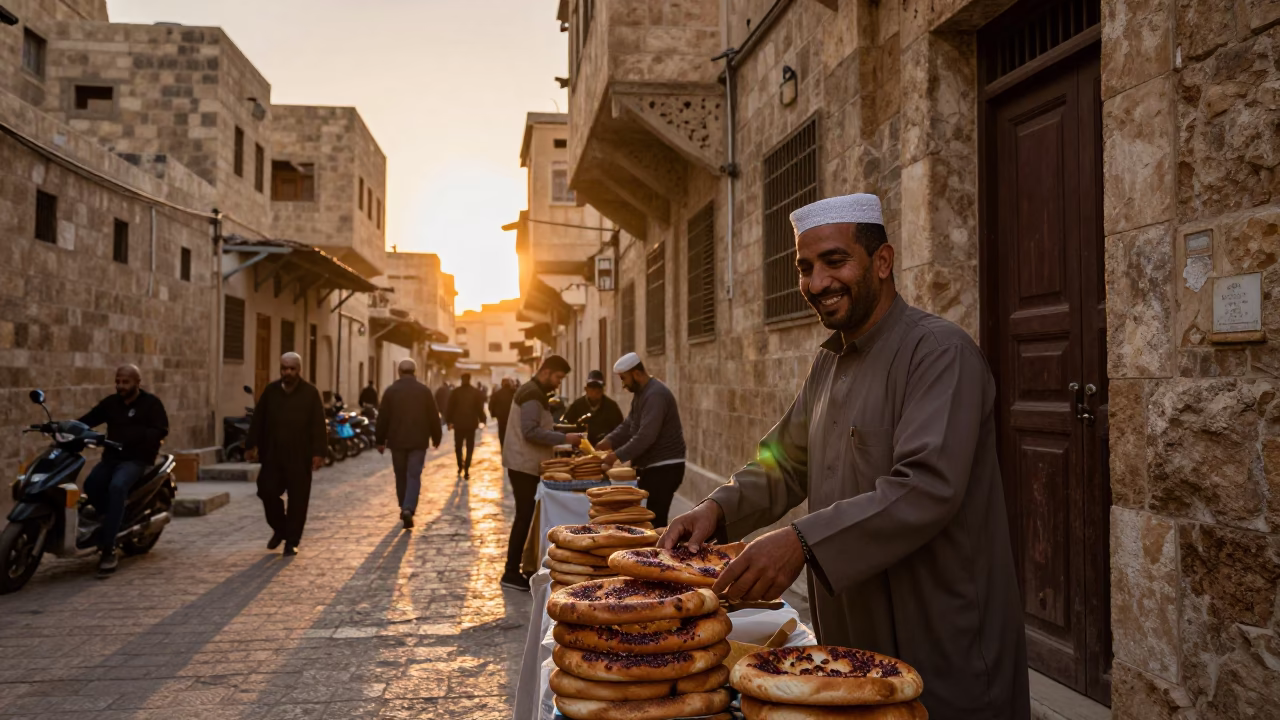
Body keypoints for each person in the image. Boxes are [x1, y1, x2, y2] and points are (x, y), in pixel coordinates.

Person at [660, 193, 1029, 718]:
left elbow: (925, 487)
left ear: (882, 262)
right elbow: (782, 462)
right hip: (853, 636)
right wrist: (716, 510)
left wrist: (800, 541)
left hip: (942, 632)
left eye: (835, 261)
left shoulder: (940, 353)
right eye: (805, 268)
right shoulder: (828, 366)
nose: (817, 283)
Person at [500, 356, 582, 591]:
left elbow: (539, 426)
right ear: (546, 372)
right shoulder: (532, 394)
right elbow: (531, 431)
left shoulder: (534, 391)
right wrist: (564, 438)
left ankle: (523, 567)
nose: (558, 383)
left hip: (525, 464)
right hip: (523, 465)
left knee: (527, 517)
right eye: (558, 377)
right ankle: (510, 571)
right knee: (523, 517)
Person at [77, 364, 169, 574]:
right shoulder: (111, 403)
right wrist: (64, 427)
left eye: (125, 382)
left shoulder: (151, 404)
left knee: (117, 487)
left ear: (137, 382)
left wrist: (136, 440)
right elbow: (89, 419)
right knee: (91, 484)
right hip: (111, 459)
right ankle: (110, 518)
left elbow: (161, 429)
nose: (120, 385)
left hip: (136, 460)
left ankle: (109, 549)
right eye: (118, 381)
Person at [246, 352, 327, 556]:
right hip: (273, 455)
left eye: (291, 369)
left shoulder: (310, 393)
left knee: (298, 500)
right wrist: (250, 445)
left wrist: (318, 453)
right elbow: (259, 419)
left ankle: (292, 541)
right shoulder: (271, 391)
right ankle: (280, 528)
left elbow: (318, 424)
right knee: (266, 491)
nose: (287, 372)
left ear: (298, 370)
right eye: (284, 368)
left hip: (300, 456)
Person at [598, 354, 686, 527]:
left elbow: (646, 435)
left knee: (655, 521)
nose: (623, 384)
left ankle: (660, 553)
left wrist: (616, 455)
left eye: (624, 379)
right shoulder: (641, 394)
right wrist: (609, 441)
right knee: (648, 520)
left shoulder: (655, 395)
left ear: (636, 374)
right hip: (652, 468)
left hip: (664, 468)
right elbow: (629, 424)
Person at [376, 358, 442, 529]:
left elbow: (382, 417)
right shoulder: (424, 391)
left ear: (399, 372)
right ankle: (408, 507)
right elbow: (433, 416)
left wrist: (379, 440)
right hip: (418, 441)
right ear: (415, 372)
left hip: (397, 441)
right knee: (413, 475)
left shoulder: (391, 391)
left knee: (400, 475)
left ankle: (403, 505)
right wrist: (437, 436)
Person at [563, 370, 624, 447]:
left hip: (605, 448)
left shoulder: (611, 406)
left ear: (602, 390)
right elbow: (566, 426)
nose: (595, 391)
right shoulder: (577, 405)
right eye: (592, 388)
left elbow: (620, 429)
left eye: (598, 388)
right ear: (586, 389)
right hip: (580, 448)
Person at [445, 373, 487, 480]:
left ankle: (460, 465)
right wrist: (483, 419)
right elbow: (479, 408)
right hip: (470, 425)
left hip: (458, 424)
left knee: (458, 447)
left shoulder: (456, 392)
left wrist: (449, 421)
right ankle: (467, 468)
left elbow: (450, 407)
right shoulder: (475, 392)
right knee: (469, 447)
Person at [488, 378, 516, 449]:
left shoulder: (497, 394)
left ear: (502, 384)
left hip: (501, 419)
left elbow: (491, 406)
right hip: (512, 419)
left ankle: (503, 450)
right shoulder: (514, 393)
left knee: (502, 436)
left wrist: (494, 414)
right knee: (512, 437)